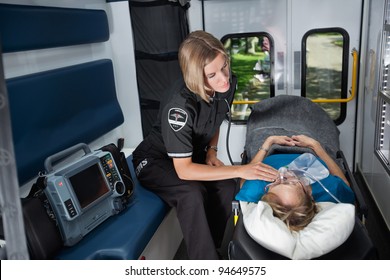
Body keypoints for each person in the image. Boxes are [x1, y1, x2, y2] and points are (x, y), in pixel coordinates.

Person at [132, 30, 277, 260]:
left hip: (192, 153)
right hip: (156, 160)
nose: (224, 78)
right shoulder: (178, 107)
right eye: (212, 75)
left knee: (227, 186)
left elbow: (215, 117)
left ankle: (216, 248)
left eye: (224, 66)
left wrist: (212, 150)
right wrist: (241, 169)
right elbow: (184, 170)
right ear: (196, 77)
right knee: (192, 193)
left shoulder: (225, 85)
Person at [237, 134, 355, 231]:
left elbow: (243, 179)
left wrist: (268, 142)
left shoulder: (257, 188)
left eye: (275, 182)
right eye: (291, 183)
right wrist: (316, 146)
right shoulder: (329, 190)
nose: (282, 174)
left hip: (272, 148)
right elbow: (344, 183)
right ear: (308, 192)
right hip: (312, 146)